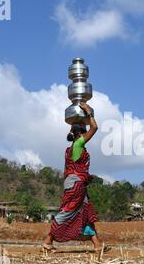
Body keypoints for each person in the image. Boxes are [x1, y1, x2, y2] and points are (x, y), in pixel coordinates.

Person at [42, 103, 110, 254]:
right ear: (80, 133)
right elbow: (95, 128)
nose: (86, 134)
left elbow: (75, 169)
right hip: (76, 185)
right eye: (84, 132)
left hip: (75, 184)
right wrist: (88, 112)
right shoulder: (79, 143)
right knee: (67, 211)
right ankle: (48, 240)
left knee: (85, 212)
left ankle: (97, 244)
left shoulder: (71, 149)